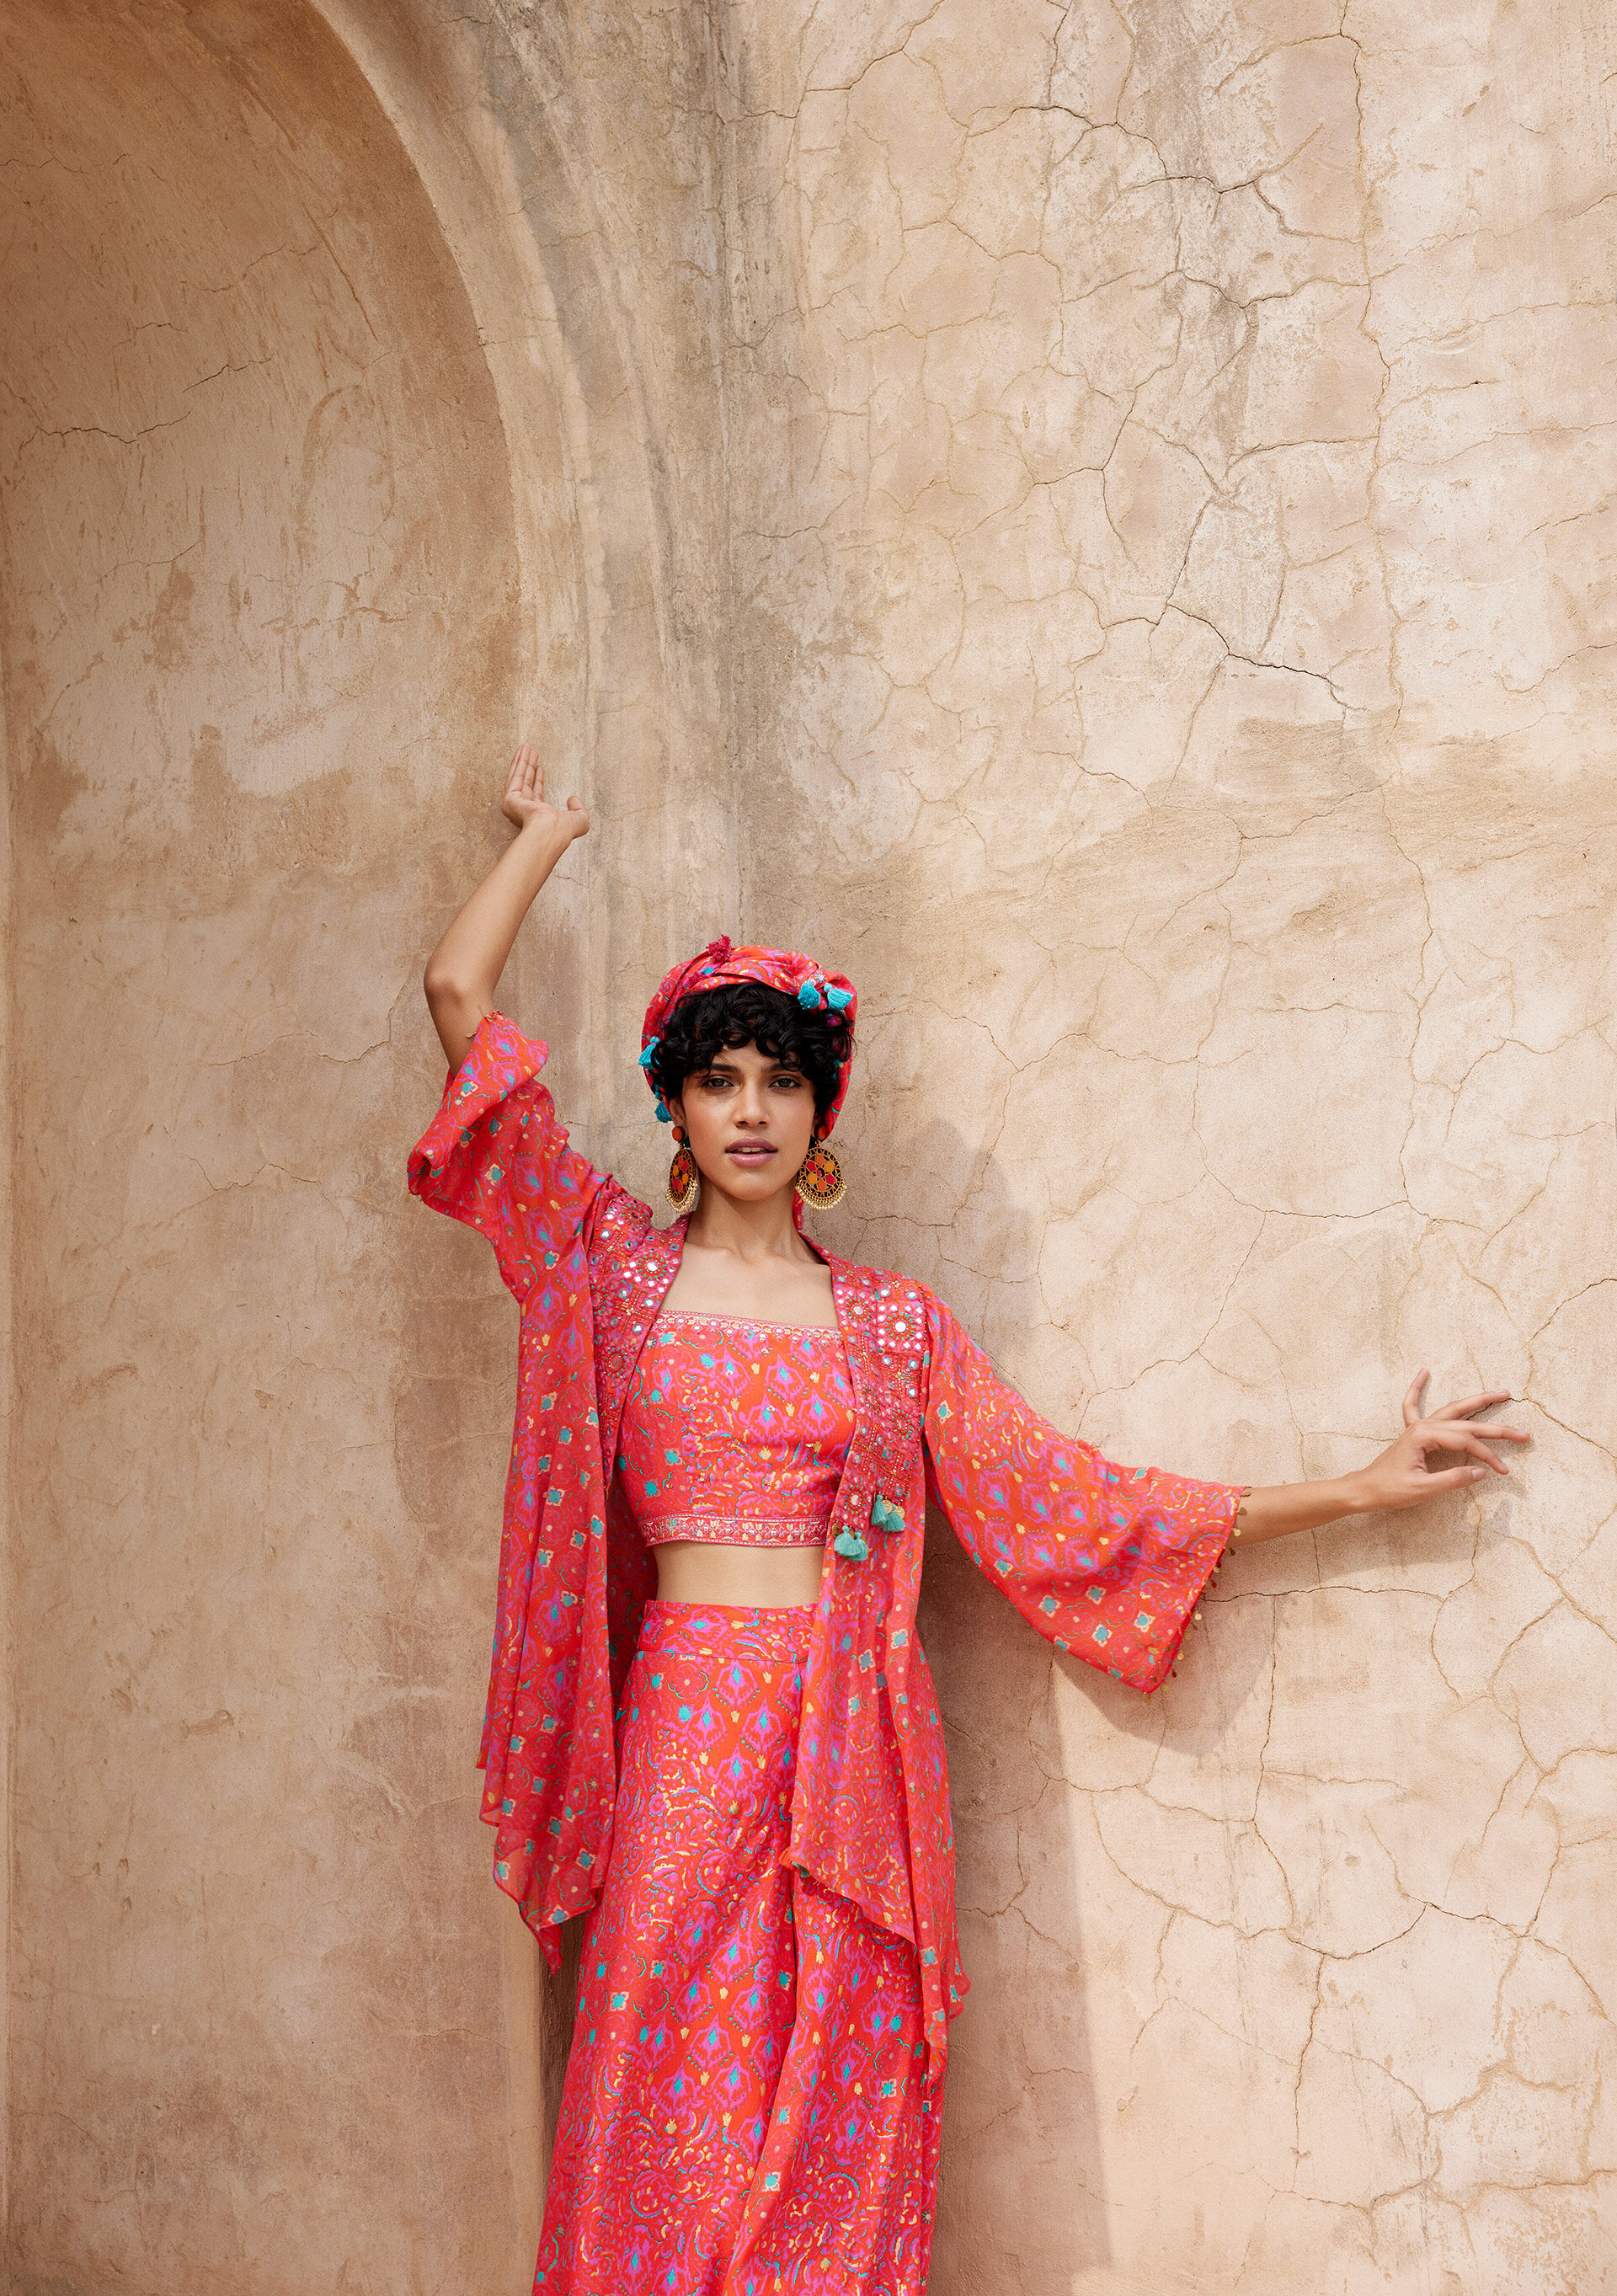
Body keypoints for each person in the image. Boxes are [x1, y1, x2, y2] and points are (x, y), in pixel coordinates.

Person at [408, 745, 1528, 2296]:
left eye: (783, 1080)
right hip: (685, 1731)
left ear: (822, 1110)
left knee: (833, 2111)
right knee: (655, 2095)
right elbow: (458, 995)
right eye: (720, 1081)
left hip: (853, 1748)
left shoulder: (893, 1326)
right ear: (675, 1106)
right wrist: (551, 834)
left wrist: (1359, 1481)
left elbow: (1071, 1506)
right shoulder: (608, 1268)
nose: (752, 1111)